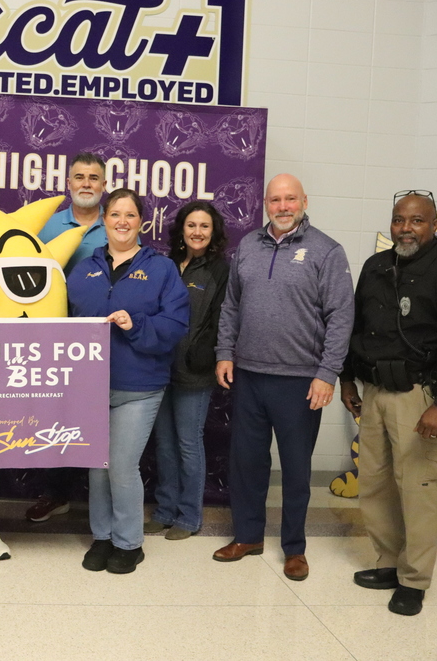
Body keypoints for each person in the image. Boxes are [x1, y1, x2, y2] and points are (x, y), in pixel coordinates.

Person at [340, 190, 437, 616]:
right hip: (374, 394)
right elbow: (356, 327)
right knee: (375, 483)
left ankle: (414, 579)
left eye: (417, 221)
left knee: (419, 489)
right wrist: (347, 378)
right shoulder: (375, 267)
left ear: (435, 225)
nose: (406, 228)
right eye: (399, 220)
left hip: (420, 396)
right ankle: (388, 563)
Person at [213, 174, 354, 581]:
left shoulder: (326, 251)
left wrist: (328, 373)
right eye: (275, 200)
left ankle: (294, 548)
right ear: (265, 204)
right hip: (249, 376)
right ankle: (248, 536)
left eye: (290, 199)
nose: (283, 206)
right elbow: (231, 306)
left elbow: (341, 317)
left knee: (295, 469)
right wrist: (225, 353)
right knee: (247, 463)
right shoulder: (248, 247)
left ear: (304, 200)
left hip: (300, 381)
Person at [68, 188, 189, 574]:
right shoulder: (85, 267)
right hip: (90, 387)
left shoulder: (161, 269)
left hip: (139, 387)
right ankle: (102, 538)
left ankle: (128, 543)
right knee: (96, 466)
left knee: (121, 466)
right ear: (103, 220)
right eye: (115, 214)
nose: (122, 221)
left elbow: (175, 325)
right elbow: (60, 320)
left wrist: (135, 324)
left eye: (130, 215)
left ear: (142, 222)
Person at [26, 152, 109, 523]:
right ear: (68, 183)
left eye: (94, 178)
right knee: (56, 415)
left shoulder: (117, 224)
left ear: (104, 186)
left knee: (100, 419)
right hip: (54, 338)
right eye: (80, 177)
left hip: (103, 340)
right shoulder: (47, 226)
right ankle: (55, 494)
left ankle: (104, 502)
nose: (87, 184)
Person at [147, 201, 230, 540]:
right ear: (182, 229)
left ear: (213, 233)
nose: (197, 232)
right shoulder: (165, 265)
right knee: (163, 445)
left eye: (204, 226)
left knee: (187, 443)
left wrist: (207, 354)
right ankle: (165, 510)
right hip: (158, 368)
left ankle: (189, 517)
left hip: (195, 372)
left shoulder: (220, 270)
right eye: (192, 225)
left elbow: (224, 320)